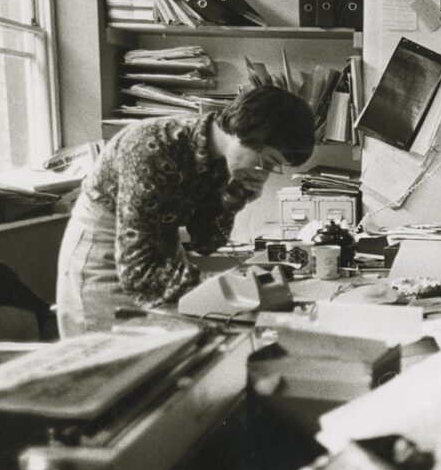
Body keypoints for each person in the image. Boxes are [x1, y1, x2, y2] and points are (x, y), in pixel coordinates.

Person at [56, 86, 315, 336]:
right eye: (267, 164)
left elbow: (205, 242)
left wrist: (234, 200)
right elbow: (139, 274)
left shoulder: (222, 158)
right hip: (105, 251)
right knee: (113, 362)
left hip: (157, 249)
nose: (264, 176)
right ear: (246, 133)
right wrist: (233, 286)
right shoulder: (152, 150)